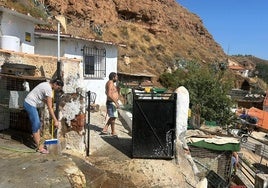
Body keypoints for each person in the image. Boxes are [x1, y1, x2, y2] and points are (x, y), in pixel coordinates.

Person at [23, 79, 64, 154]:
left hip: (30, 103)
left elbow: (40, 97)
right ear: (55, 84)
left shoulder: (46, 84)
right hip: (29, 104)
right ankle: (40, 148)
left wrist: (49, 102)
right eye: (58, 88)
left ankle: (39, 145)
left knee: (37, 124)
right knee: (36, 125)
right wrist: (55, 120)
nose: (57, 90)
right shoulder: (49, 90)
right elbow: (50, 108)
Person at [102, 72, 119, 136]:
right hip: (111, 103)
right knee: (113, 117)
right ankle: (113, 132)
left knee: (113, 117)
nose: (117, 78)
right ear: (113, 77)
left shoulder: (110, 83)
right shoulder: (110, 83)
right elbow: (109, 94)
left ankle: (105, 129)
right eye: (116, 77)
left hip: (111, 102)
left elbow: (106, 92)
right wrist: (116, 102)